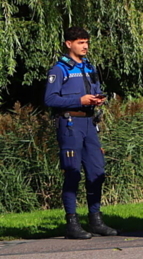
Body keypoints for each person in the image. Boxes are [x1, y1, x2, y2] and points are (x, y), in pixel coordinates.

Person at [43, 27, 118, 240]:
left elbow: (94, 89)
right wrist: (79, 100)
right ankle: (72, 222)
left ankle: (95, 220)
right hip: (70, 124)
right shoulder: (59, 70)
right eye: (80, 42)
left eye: (86, 42)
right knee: (72, 172)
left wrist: (97, 99)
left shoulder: (89, 67)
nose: (85, 46)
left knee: (96, 171)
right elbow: (50, 99)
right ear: (69, 44)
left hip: (89, 123)